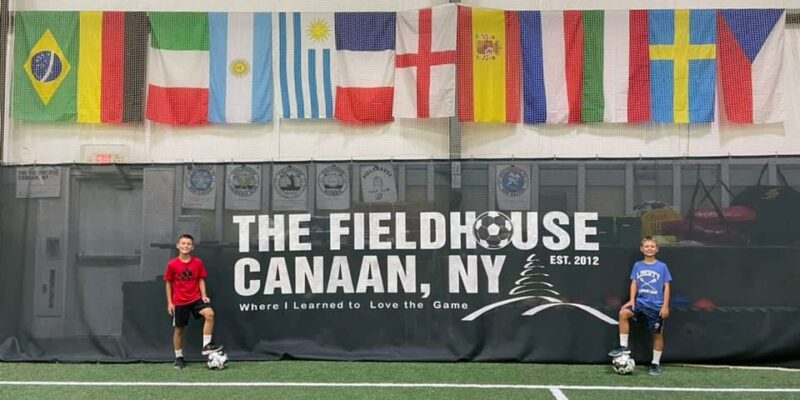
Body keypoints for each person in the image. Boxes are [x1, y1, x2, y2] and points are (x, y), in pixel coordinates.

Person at [608, 236, 672, 376]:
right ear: (641, 249)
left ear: (657, 249)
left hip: (656, 306)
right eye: (647, 246)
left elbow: (666, 287)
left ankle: (655, 363)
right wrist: (632, 300)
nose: (649, 249)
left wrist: (665, 306)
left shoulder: (662, 267)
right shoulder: (638, 265)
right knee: (623, 313)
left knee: (656, 335)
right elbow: (634, 283)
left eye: (652, 246)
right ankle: (623, 348)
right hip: (640, 303)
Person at [165, 234, 223, 369]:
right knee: (179, 330)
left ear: (192, 247)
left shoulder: (197, 262)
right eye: (183, 243)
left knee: (210, 314)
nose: (186, 246)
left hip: (196, 299)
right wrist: (170, 302)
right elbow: (168, 283)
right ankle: (178, 357)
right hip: (179, 302)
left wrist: (203, 295)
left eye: (189, 244)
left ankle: (206, 345)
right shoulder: (172, 264)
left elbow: (200, 279)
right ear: (178, 246)